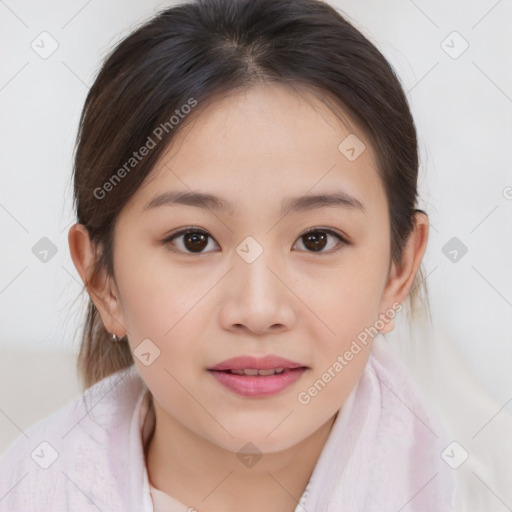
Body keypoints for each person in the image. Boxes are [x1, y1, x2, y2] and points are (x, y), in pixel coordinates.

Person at [0, 0, 458, 510]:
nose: (258, 310)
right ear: (101, 277)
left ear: (399, 269)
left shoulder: (468, 491)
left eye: (316, 239)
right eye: (194, 240)